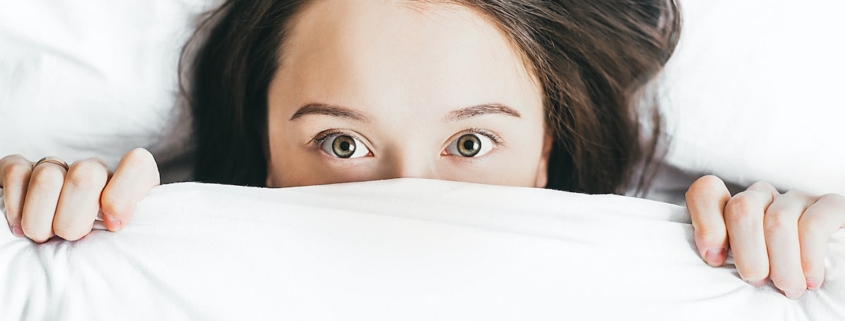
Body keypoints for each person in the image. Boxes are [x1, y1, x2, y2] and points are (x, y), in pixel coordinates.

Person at [0, 0, 842, 300]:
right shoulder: (125, 259)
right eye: (341, 141)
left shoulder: (697, 255)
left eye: (470, 141)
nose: (409, 195)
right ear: (262, 151)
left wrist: (811, 246)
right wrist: (34, 218)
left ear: (545, 149)